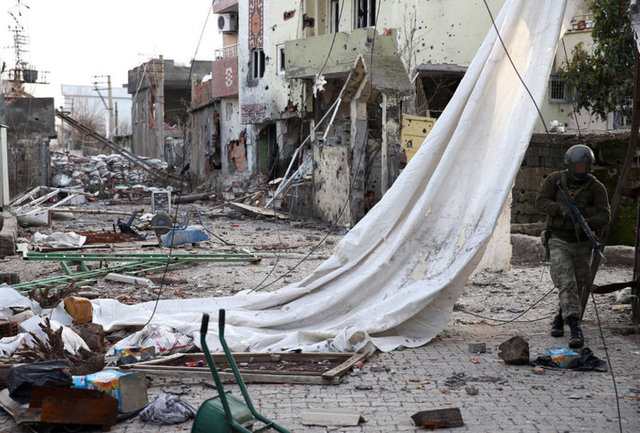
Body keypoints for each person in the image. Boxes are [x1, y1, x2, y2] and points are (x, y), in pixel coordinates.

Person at [535, 144, 610, 348]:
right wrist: (561, 210)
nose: (581, 170)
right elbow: (540, 202)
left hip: (582, 243)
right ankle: (574, 326)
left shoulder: (596, 187)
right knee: (566, 281)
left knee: (577, 284)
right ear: (569, 165)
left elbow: (605, 215)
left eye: (584, 167)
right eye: (577, 166)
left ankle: (560, 316)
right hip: (558, 239)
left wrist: (585, 220)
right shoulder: (555, 180)